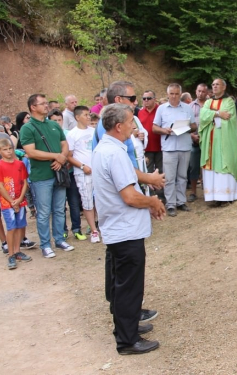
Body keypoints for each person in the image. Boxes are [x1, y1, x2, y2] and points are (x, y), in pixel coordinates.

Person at [93, 103, 165, 355]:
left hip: (117, 228)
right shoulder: (113, 153)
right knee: (128, 286)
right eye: (131, 122)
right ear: (118, 126)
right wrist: (153, 201)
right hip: (125, 230)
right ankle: (127, 340)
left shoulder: (106, 148)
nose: (134, 126)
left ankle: (127, 325)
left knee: (118, 284)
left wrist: (148, 182)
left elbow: (127, 178)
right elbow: (130, 197)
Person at [20, 94, 75, 258]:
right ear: (33, 107)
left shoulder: (54, 125)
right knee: (43, 212)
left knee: (59, 210)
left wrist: (62, 158)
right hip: (42, 177)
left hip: (59, 173)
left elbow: (64, 145)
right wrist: (55, 156)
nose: (46, 105)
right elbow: (30, 151)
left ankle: (59, 240)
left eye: (46, 102)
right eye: (42, 103)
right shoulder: (27, 128)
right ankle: (45, 244)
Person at [152, 83, 196, 217]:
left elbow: (194, 125)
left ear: (180, 94)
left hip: (184, 145)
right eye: (172, 93)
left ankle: (181, 201)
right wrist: (164, 130)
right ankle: (170, 204)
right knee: (170, 178)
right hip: (169, 147)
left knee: (182, 176)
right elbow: (154, 128)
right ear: (168, 94)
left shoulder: (187, 108)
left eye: (177, 94)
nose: (174, 96)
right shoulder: (161, 108)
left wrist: (184, 128)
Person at [199, 78, 237, 205]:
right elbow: (203, 115)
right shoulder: (208, 101)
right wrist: (217, 113)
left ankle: (226, 196)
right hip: (210, 140)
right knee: (211, 166)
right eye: (213, 84)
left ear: (224, 87)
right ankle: (213, 196)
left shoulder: (229, 102)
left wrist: (212, 116)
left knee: (224, 162)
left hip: (224, 138)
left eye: (217, 84)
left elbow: (229, 117)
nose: (214, 86)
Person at [48, 109, 86, 241]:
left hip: (70, 173)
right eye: (54, 120)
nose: (58, 122)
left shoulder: (68, 134)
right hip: (55, 173)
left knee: (74, 202)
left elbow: (72, 153)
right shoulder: (48, 135)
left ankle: (76, 229)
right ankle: (62, 230)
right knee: (59, 205)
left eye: (59, 120)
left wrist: (66, 163)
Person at [66, 106, 100, 243]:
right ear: (77, 117)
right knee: (87, 201)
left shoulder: (94, 131)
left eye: (89, 114)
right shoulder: (72, 134)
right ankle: (94, 231)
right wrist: (82, 166)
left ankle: (100, 224)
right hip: (82, 173)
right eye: (85, 115)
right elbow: (69, 156)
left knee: (100, 199)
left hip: (97, 171)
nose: (88, 117)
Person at [0, 138, 32, 270]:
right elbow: (1, 186)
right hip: (7, 203)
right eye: (5, 149)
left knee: (20, 226)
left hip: (20, 200)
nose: (8, 152)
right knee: (11, 228)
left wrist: (19, 200)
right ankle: (11, 254)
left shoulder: (20, 164)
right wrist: (11, 201)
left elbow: (25, 182)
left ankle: (17, 250)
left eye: (10, 149)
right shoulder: (1, 165)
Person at [138, 90, 163, 200]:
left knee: (161, 172)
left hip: (161, 146)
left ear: (154, 99)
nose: (146, 101)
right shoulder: (140, 112)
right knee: (148, 172)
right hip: (147, 148)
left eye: (148, 98)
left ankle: (162, 195)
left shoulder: (160, 110)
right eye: (144, 98)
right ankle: (152, 196)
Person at [187, 83, 208, 202]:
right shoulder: (189, 106)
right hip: (194, 140)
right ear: (196, 91)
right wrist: (192, 136)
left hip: (208, 140)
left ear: (207, 93)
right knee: (194, 166)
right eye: (199, 91)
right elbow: (185, 125)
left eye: (203, 91)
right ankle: (193, 192)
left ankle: (208, 190)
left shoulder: (211, 106)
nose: (200, 93)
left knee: (208, 166)